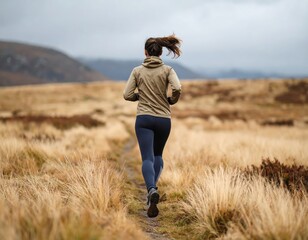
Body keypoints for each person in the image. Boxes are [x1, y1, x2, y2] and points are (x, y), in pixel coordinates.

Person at [123, 34, 182, 218]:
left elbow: (127, 94)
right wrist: (171, 100)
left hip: (144, 119)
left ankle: (151, 190)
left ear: (146, 52)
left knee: (147, 158)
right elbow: (178, 88)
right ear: (161, 52)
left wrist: (139, 97)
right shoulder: (168, 70)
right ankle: (152, 192)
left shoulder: (137, 71)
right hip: (164, 120)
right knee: (158, 156)